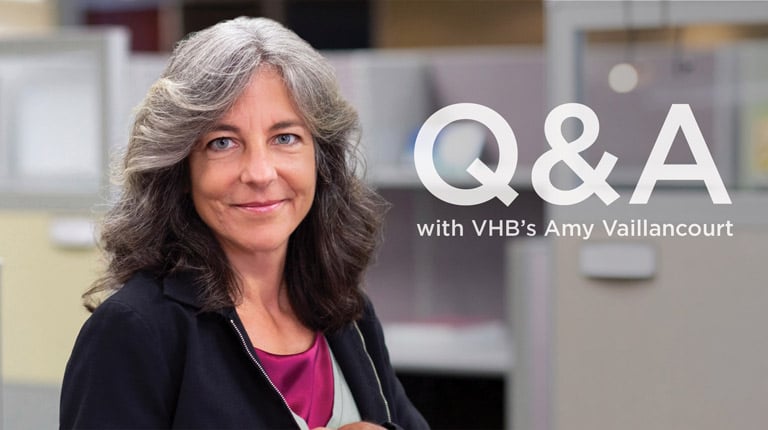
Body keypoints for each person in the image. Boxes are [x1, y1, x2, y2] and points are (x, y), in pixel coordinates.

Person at [60, 16, 429, 430]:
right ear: (180, 170)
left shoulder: (346, 311)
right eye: (223, 143)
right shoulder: (134, 331)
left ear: (320, 160)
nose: (259, 172)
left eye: (285, 138)